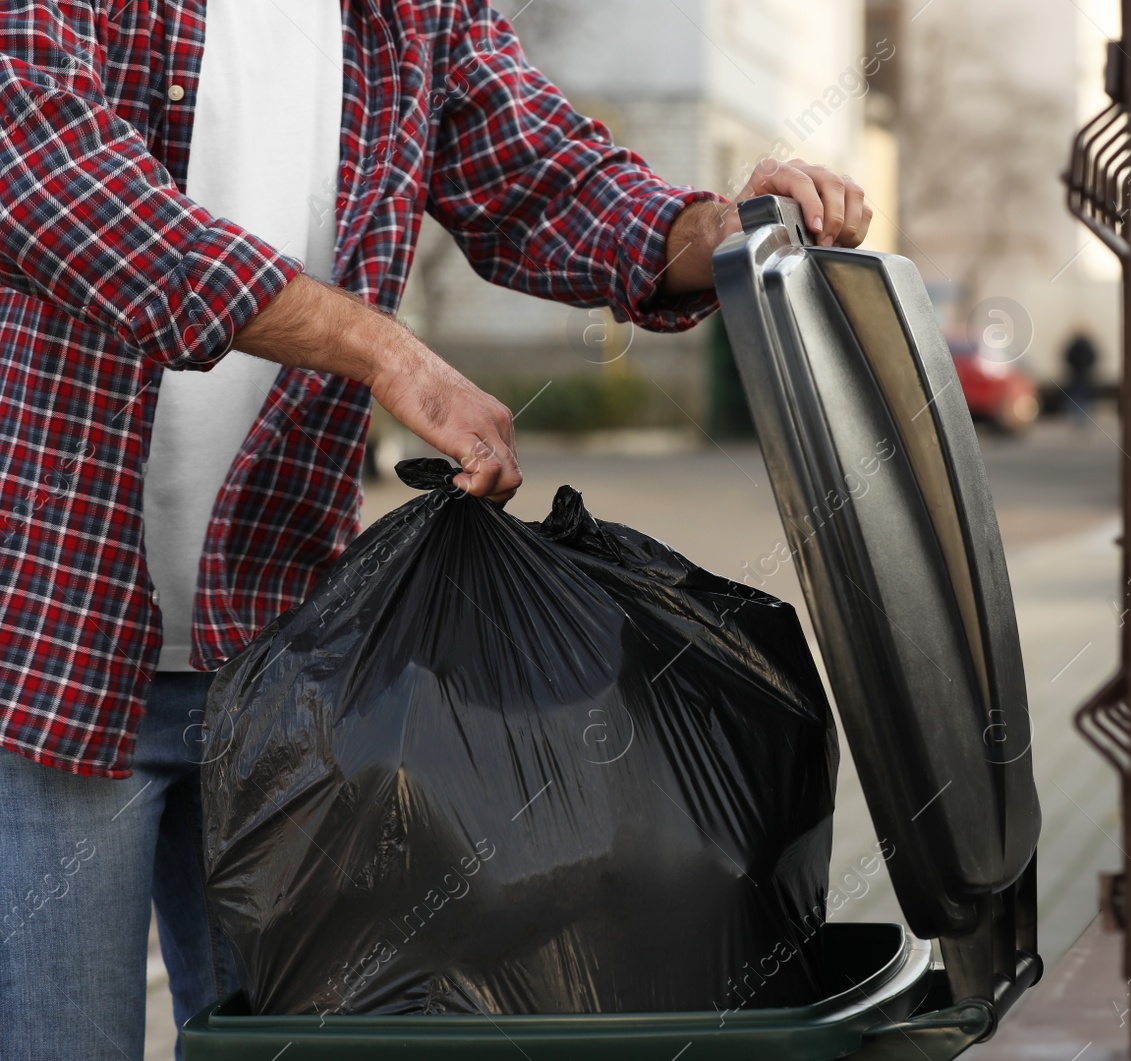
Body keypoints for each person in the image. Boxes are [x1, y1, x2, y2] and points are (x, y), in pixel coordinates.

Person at [0, 3, 871, 1058]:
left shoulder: (409, 14)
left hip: (280, 665)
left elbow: (541, 173)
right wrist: (380, 348)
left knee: (305, 1046)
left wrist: (708, 232)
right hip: (47, 643)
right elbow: (48, 176)